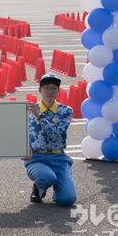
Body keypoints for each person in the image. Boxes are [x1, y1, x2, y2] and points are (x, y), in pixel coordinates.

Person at [22, 73, 77, 206]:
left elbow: (56, 135)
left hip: (59, 158)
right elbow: (19, 132)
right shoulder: (28, 110)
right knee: (46, 177)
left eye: (54, 88)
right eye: (46, 87)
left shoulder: (65, 111)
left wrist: (39, 116)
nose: (50, 91)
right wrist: (25, 147)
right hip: (37, 159)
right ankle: (39, 186)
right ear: (40, 90)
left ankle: (58, 188)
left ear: (58, 90)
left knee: (68, 199)